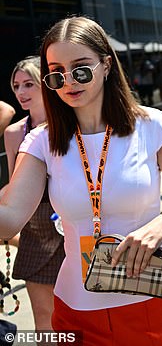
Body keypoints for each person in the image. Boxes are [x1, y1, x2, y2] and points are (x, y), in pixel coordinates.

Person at [0, 16, 162, 345]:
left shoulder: (152, 125)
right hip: (76, 310)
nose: (69, 81)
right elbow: (10, 218)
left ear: (106, 65)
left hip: (150, 303)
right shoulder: (42, 141)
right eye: (56, 73)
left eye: (81, 68)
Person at [2, 57, 64, 331]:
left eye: (28, 84)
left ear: (45, 85)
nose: (21, 92)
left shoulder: (69, 124)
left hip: (72, 226)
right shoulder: (15, 132)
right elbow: (14, 185)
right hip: (36, 231)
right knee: (43, 316)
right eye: (16, 86)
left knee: (81, 315)